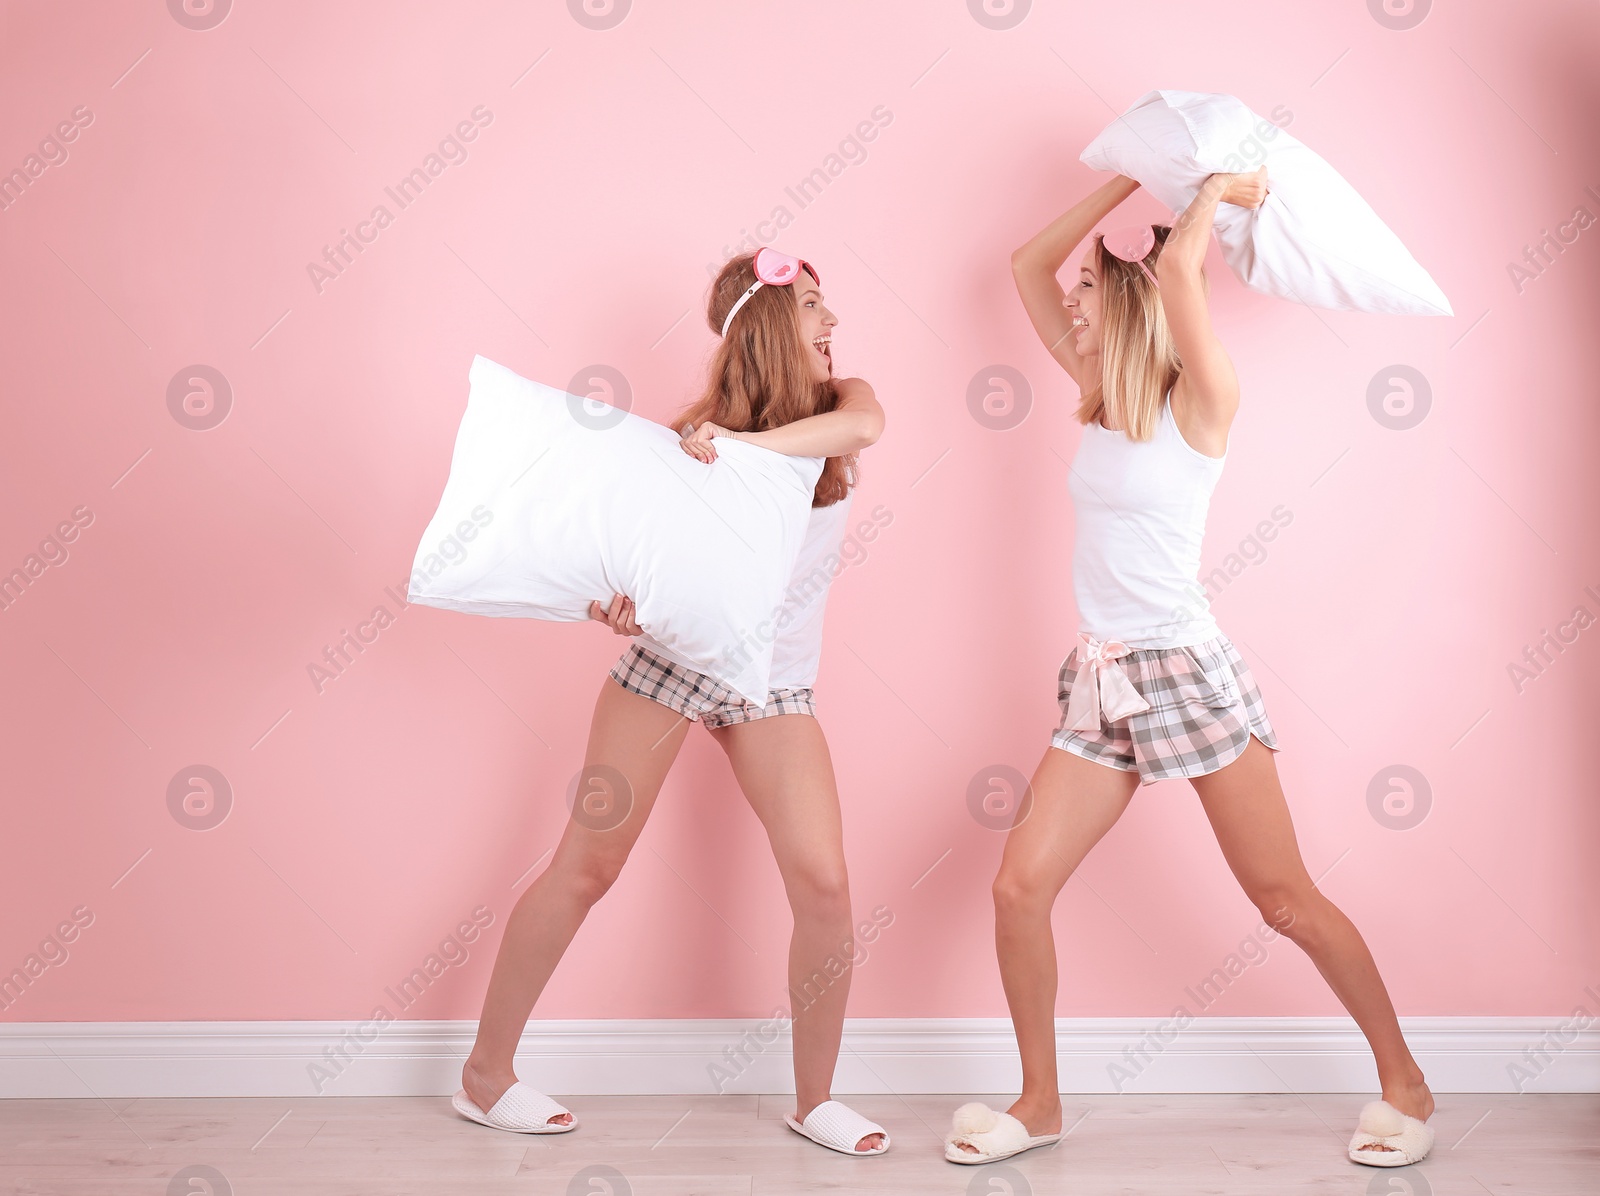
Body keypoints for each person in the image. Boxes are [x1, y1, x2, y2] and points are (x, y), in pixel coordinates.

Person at [943, 171, 1436, 1169]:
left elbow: (1174, 267)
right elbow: (1024, 264)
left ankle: (1406, 1080)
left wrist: (1207, 188)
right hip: (1102, 677)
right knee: (1016, 887)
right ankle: (1039, 1101)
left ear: (1126, 308)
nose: (1069, 310)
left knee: (1282, 897)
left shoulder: (1202, 402)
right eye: (1075, 301)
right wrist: (1121, 178)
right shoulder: (1093, 395)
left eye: (1087, 298)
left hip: (1188, 671)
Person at [453, 247, 893, 1156]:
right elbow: (655, 570)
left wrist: (742, 452)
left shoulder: (841, 403)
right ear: (770, 328)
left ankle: (815, 1101)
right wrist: (623, 609)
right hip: (671, 668)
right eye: (814, 305)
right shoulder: (683, 445)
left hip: (771, 684)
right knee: (587, 867)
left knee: (825, 881)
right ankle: (484, 1076)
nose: (832, 322)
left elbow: (865, 430)